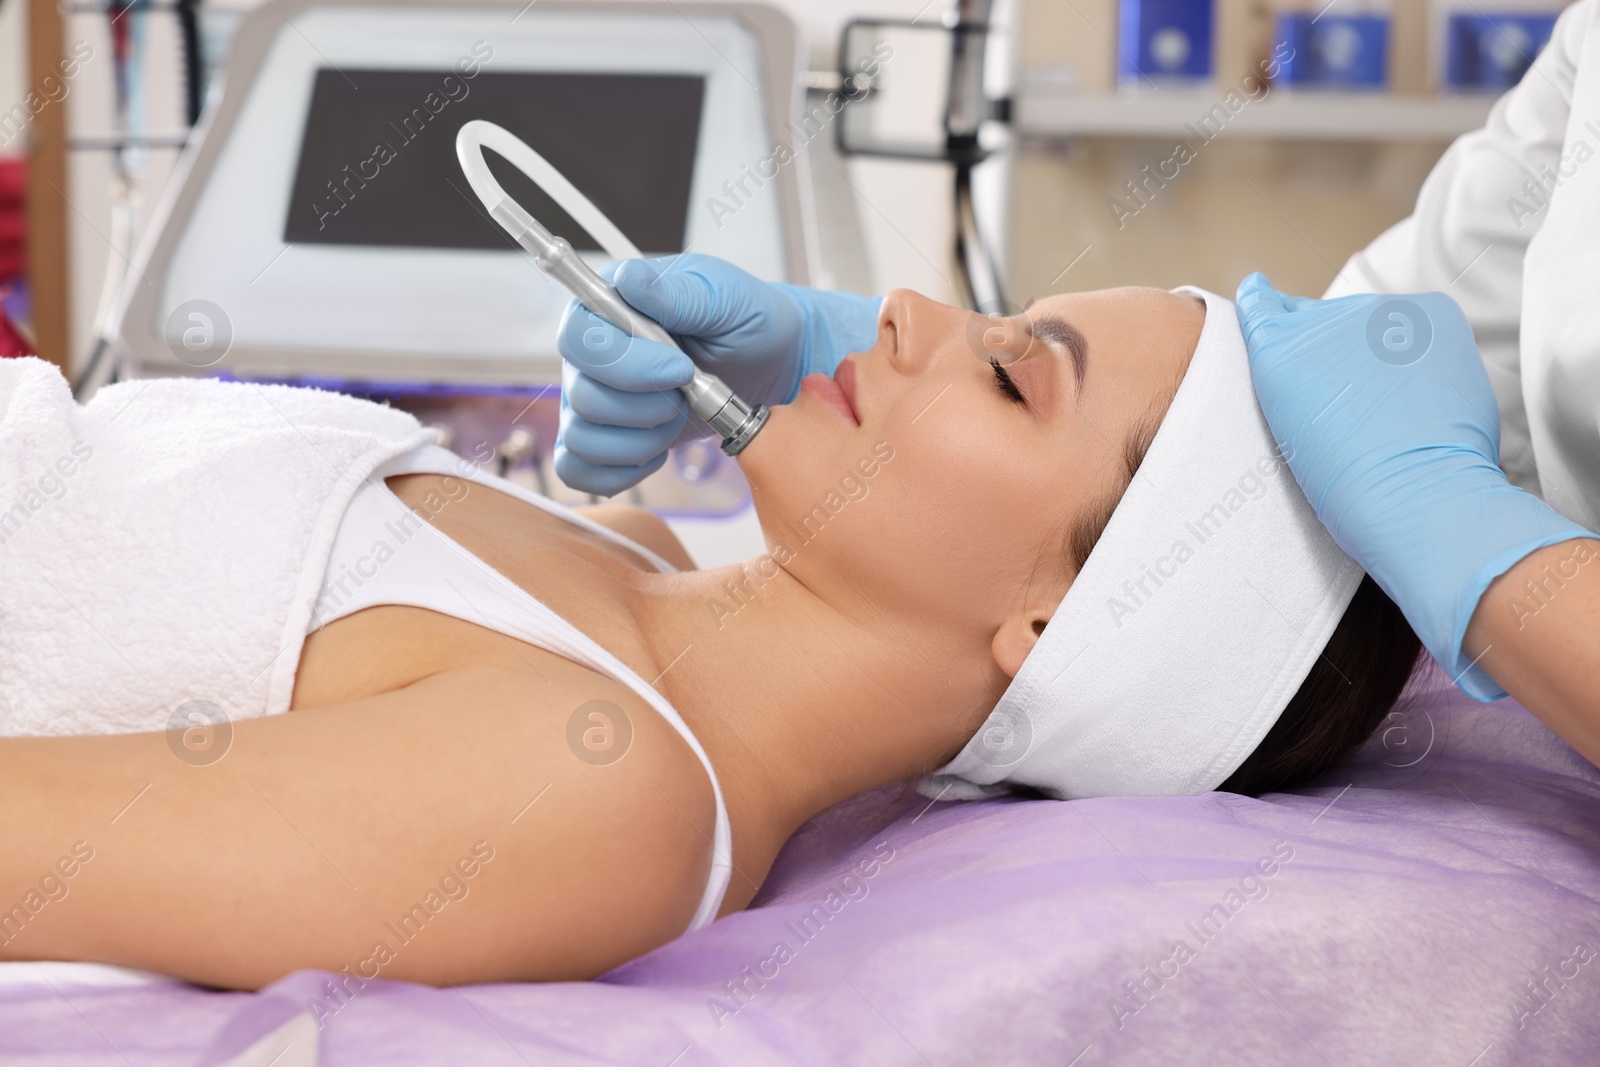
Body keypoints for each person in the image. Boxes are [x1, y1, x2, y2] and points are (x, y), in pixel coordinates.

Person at [0, 280, 1416, 992]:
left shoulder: (601, 790)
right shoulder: (633, 546)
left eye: (1008, 375)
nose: (913, 310)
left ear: (1059, 624)